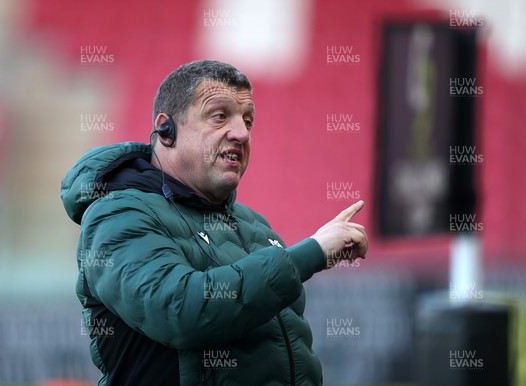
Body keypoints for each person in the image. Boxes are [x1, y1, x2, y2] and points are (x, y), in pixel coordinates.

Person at [61, 59, 368, 386]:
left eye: (248, 121)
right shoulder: (117, 215)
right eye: (219, 116)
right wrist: (312, 252)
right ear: (167, 130)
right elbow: (179, 312)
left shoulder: (255, 225)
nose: (241, 133)